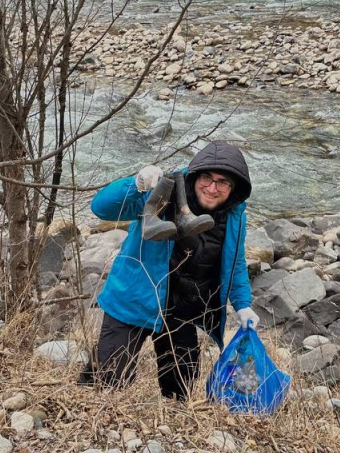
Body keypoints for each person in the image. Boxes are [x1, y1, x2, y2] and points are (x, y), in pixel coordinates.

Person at [78, 141, 258, 400]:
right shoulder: (163, 192)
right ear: (195, 175)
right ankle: (91, 393)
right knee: (108, 381)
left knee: (180, 390)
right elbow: (101, 208)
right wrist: (137, 183)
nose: (212, 187)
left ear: (234, 188)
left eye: (223, 182)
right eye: (207, 178)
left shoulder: (234, 215)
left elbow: (235, 263)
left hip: (182, 310)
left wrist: (243, 304)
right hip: (135, 299)